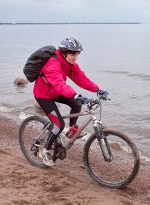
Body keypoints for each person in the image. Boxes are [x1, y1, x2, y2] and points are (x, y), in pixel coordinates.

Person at [34, 37, 107, 166]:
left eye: (77, 53)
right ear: (63, 52)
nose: (75, 56)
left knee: (76, 104)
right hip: (44, 95)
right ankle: (45, 151)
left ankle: (71, 131)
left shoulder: (70, 64)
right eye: (72, 53)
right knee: (59, 124)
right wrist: (75, 95)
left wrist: (98, 90)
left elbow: (82, 79)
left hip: (56, 92)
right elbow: (59, 84)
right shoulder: (53, 64)